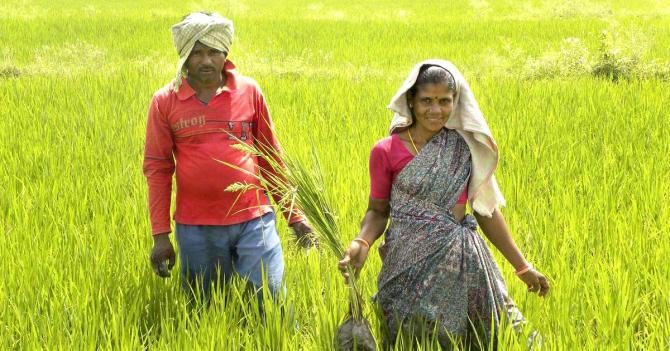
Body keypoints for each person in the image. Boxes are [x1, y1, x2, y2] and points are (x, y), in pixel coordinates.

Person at [338, 60, 550, 349]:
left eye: (444, 101)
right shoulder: (385, 150)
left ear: (455, 102)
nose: (435, 110)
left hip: (464, 263)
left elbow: (486, 211)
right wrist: (362, 242)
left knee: (488, 336)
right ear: (410, 101)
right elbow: (377, 211)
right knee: (411, 337)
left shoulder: (464, 147)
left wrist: (523, 268)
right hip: (406, 266)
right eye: (426, 100)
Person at [143, 12, 313, 305]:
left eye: (213, 52)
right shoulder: (165, 101)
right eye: (196, 53)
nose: (206, 61)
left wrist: (294, 216)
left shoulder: (249, 91)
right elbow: (158, 169)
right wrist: (161, 236)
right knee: (203, 307)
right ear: (184, 55)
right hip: (196, 225)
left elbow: (270, 158)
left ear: (226, 53)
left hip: (254, 219)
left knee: (272, 302)